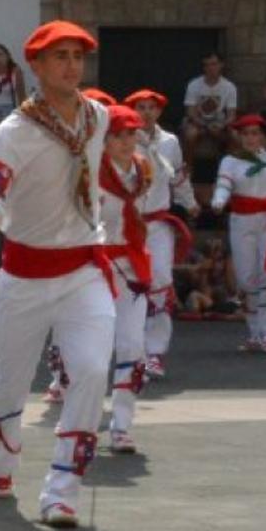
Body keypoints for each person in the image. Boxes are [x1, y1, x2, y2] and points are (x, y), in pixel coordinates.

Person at [0, 21, 114, 528]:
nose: (71, 66)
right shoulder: (15, 131)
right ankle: (0, 466)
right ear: (37, 66)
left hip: (83, 268)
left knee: (91, 370)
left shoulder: (97, 117)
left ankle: (62, 492)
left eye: (77, 56)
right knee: (11, 380)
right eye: (60, 56)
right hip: (25, 275)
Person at [97, 105, 154, 454]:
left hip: (132, 266)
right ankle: (81, 422)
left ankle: (121, 426)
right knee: (92, 352)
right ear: (104, 140)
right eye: (117, 135)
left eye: (130, 134)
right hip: (95, 268)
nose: (125, 142)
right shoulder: (89, 173)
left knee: (132, 346)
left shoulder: (145, 170)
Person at [127, 89, 194, 377]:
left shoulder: (170, 142)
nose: (146, 112)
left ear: (159, 111)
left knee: (161, 281)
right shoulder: (124, 139)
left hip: (158, 222)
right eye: (141, 107)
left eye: (151, 107)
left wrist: (190, 203)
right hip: (128, 224)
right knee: (130, 284)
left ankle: (155, 352)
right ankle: (132, 350)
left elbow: (177, 176)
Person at [211, 113, 266, 355]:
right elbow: (224, 185)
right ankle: (254, 332)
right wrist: (219, 200)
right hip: (242, 221)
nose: (250, 138)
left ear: (262, 136)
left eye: (255, 133)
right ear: (239, 137)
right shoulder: (231, 161)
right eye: (245, 134)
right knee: (246, 278)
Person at [182, 51, 237, 163]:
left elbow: (232, 115)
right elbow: (190, 112)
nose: (210, 68)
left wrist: (221, 125)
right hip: (197, 122)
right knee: (190, 134)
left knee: (235, 136)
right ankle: (187, 167)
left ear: (221, 65)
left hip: (219, 123)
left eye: (214, 64)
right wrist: (205, 125)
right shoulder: (194, 84)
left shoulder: (229, 87)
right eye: (206, 65)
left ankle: (229, 167)